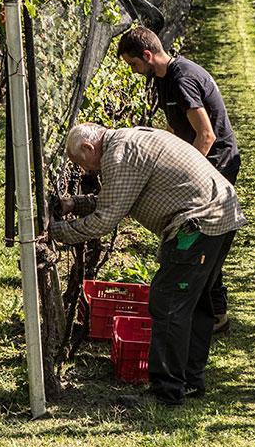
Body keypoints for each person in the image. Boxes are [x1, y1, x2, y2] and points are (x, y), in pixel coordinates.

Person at [50, 123, 245, 407]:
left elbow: (105, 219)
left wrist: (55, 232)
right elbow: (117, 199)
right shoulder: (128, 141)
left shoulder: (118, 156)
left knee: (168, 302)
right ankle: (190, 381)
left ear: (90, 148)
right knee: (197, 302)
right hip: (222, 213)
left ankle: (166, 392)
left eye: (82, 163)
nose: (86, 171)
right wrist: (73, 205)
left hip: (197, 225)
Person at [117, 26, 240, 334]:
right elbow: (179, 130)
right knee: (199, 243)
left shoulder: (183, 78)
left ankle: (212, 315)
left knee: (201, 239)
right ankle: (213, 313)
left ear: (147, 55)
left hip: (215, 163)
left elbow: (207, 135)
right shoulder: (163, 79)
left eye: (133, 64)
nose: (133, 72)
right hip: (203, 161)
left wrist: (187, 170)